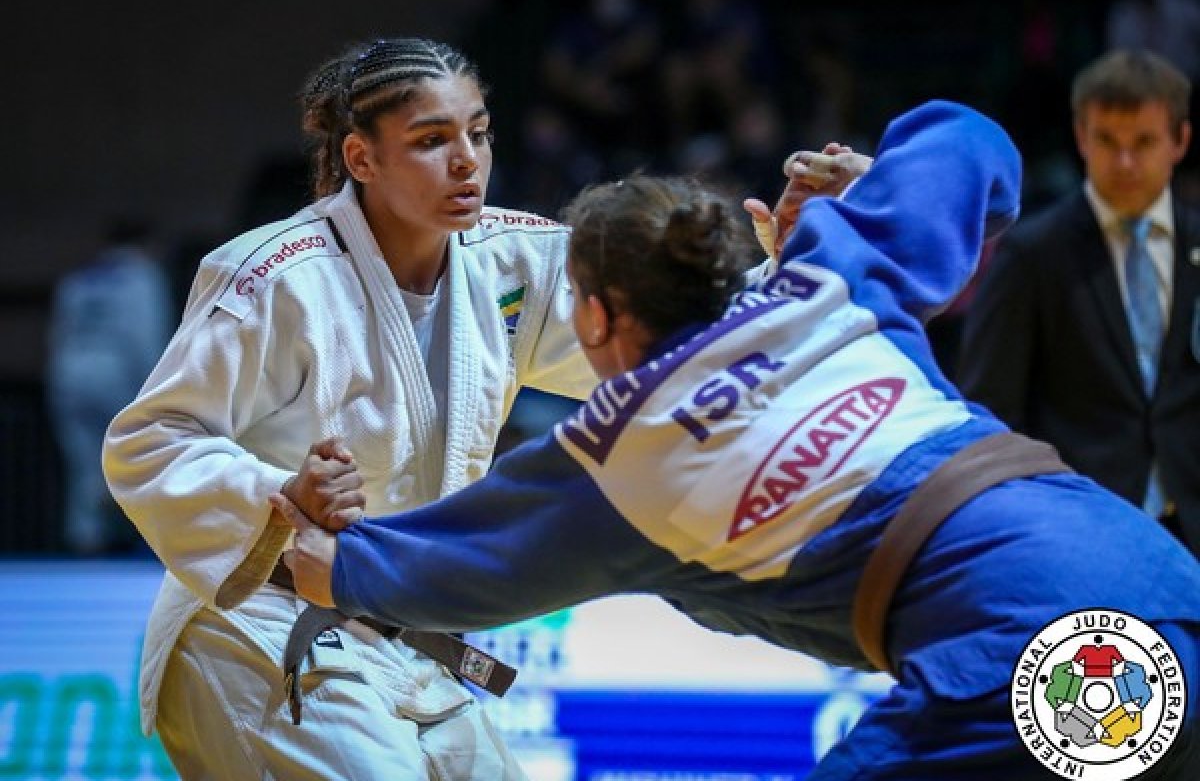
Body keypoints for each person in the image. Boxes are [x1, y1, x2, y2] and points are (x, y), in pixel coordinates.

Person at [273, 101, 1200, 778]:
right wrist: (866, 190)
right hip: (1159, 579)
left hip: (1033, 664)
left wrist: (310, 531)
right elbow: (968, 137)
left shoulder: (610, 464)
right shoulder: (832, 276)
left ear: (593, 317)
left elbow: (366, 570)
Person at [102, 37, 604, 779]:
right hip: (257, 626)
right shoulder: (276, 275)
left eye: (478, 131)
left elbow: (658, 328)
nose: (467, 159)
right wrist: (281, 498)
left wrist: (795, 255)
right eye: (432, 140)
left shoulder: (514, 263)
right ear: (361, 159)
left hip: (404, 637)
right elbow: (150, 440)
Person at [958, 49, 1200, 558]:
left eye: (1144, 142)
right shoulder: (1032, 254)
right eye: (1108, 141)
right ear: (1081, 137)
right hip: (1078, 534)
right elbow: (990, 410)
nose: (1126, 162)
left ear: (1180, 140)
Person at [47, 217, 173, 555]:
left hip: (69, 371)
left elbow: (59, 332)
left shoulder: (79, 278)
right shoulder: (141, 275)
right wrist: (155, 389)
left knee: (84, 463)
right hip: (117, 372)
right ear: (148, 244)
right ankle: (141, 543)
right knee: (135, 456)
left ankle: (85, 542)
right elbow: (144, 335)